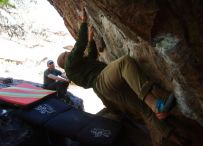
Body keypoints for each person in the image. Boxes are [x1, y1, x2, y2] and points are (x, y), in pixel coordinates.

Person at [57, 9, 190, 146]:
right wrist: (84, 22)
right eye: (67, 53)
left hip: (105, 89)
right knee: (124, 63)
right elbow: (79, 45)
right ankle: (156, 104)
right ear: (65, 58)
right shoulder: (69, 63)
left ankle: (176, 140)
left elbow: (92, 57)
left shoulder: (75, 69)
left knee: (143, 109)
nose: (69, 52)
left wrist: (91, 40)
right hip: (102, 80)